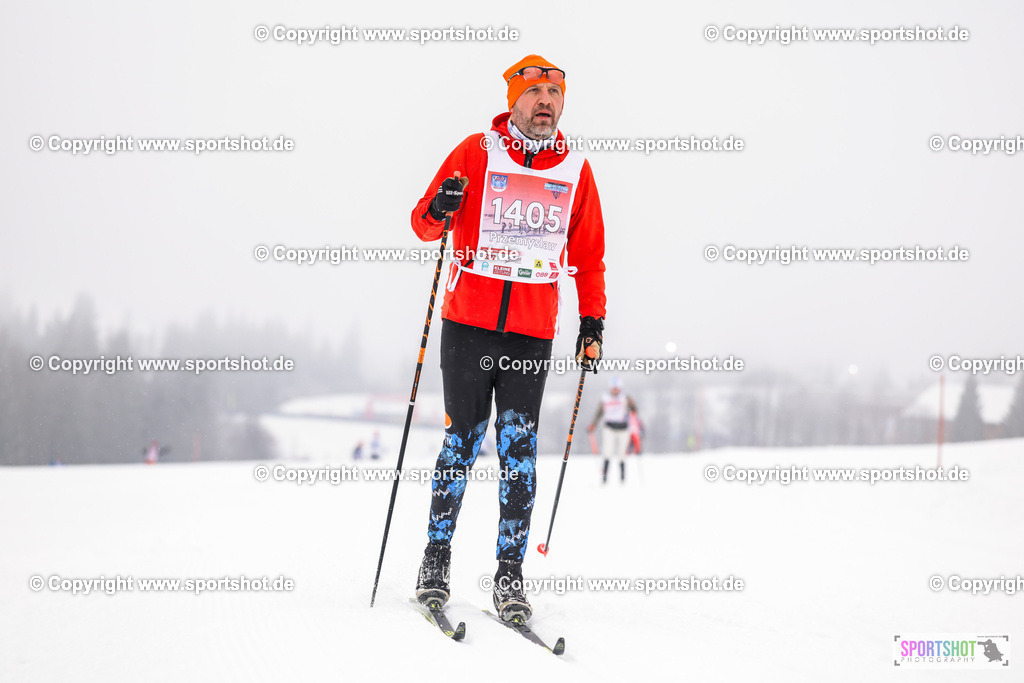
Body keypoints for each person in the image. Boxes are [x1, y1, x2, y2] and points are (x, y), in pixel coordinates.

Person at [410, 55, 607, 622]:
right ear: (514, 100)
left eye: (555, 93)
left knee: (519, 454)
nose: (546, 101)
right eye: (535, 92)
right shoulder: (477, 151)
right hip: (467, 327)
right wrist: (440, 206)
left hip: (529, 335)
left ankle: (509, 578)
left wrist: (591, 323)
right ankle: (435, 563)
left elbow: (588, 258)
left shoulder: (576, 169)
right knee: (460, 447)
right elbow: (425, 226)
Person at [588, 376, 639, 483]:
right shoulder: (605, 398)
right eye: (613, 387)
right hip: (609, 428)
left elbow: (635, 411)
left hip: (623, 428)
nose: (615, 390)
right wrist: (593, 424)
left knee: (621, 454)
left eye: (617, 387)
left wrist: (633, 407)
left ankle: (622, 478)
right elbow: (599, 413)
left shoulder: (626, 397)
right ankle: (604, 478)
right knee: (607, 452)